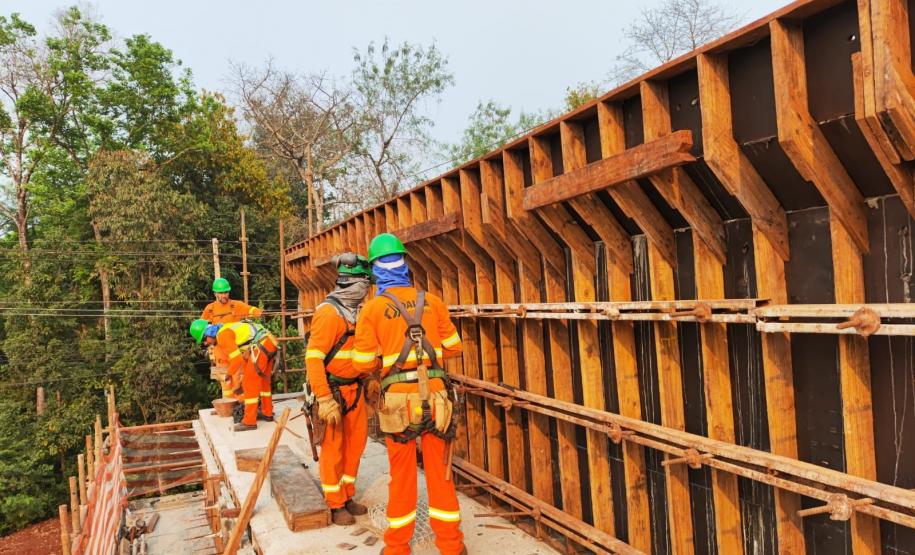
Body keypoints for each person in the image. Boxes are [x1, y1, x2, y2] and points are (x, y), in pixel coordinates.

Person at [352, 233, 465, 555]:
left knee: (401, 476)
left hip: (398, 402)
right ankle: (452, 546)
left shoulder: (372, 309)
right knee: (440, 474)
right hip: (438, 397)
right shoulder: (433, 301)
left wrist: (385, 358)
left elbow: (362, 363)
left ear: (375, 271)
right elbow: (454, 348)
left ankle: (398, 547)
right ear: (405, 264)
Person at [306, 253, 375, 526]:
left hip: (354, 390)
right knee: (333, 449)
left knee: (355, 445)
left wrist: (368, 379)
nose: (366, 291)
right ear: (354, 284)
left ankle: (347, 496)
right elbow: (314, 358)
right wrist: (324, 398)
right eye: (365, 284)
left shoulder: (358, 313)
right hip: (333, 392)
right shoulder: (329, 314)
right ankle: (334, 504)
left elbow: (360, 352)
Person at [190, 318, 276, 431]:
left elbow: (236, 360)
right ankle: (267, 412)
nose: (206, 343)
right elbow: (243, 355)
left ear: (209, 332)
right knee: (264, 382)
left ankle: (249, 422)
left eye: (204, 339)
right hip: (269, 342)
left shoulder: (222, 335)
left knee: (249, 383)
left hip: (261, 346)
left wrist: (228, 374)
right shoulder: (225, 328)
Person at [200, 278, 263, 398]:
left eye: (226, 292)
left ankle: (241, 405)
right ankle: (228, 405)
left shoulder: (236, 305)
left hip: (237, 353)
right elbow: (202, 330)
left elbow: (249, 309)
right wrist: (208, 348)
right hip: (221, 354)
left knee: (239, 381)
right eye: (221, 293)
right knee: (226, 383)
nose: (224, 295)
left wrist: (256, 311)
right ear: (215, 293)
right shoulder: (210, 309)